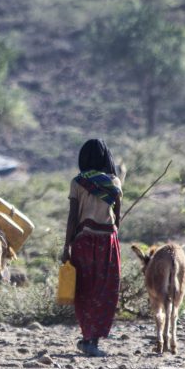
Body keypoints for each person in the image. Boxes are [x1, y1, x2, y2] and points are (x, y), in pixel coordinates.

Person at [60, 139, 122, 357]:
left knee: (84, 290)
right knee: (105, 290)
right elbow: (118, 216)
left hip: (83, 241)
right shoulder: (114, 182)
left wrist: (67, 246)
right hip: (108, 241)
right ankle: (91, 340)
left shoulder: (78, 182)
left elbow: (72, 217)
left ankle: (87, 337)